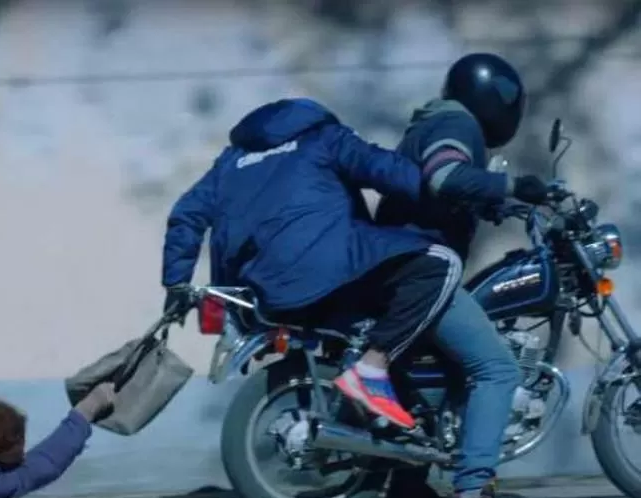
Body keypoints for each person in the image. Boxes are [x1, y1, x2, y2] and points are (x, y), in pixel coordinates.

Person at [161, 97, 462, 431]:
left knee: (358, 312)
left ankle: (372, 410)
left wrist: (176, 282)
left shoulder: (232, 160)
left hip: (261, 291)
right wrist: (459, 188)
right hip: (323, 274)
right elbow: (389, 172)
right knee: (439, 262)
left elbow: (186, 215)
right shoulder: (324, 137)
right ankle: (372, 368)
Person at [376, 52, 550, 498]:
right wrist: (515, 185)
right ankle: (471, 496)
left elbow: (436, 192)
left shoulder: (431, 122)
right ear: (489, 94)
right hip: (421, 270)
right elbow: (444, 177)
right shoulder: (458, 124)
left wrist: (495, 205)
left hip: (400, 264)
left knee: (450, 366)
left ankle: (408, 484)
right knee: (497, 368)